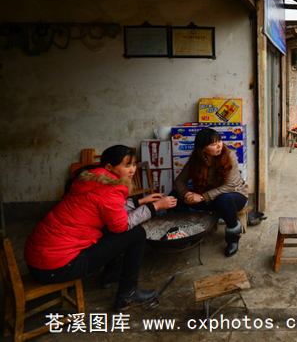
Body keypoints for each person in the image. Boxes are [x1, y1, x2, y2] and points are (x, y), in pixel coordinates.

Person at [24, 145, 177, 311]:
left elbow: (109, 208)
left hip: (38, 260)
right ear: (109, 167)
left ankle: (111, 276)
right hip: (58, 267)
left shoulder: (91, 180)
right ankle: (128, 294)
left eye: (134, 164)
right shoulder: (111, 188)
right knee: (137, 233)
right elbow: (121, 225)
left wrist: (141, 201)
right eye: (127, 166)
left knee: (108, 227)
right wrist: (155, 207)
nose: (133, 170)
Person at [174, 128, 249, 257]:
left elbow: (230, 185)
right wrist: (186, 194)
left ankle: (233, 238)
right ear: (202, 148)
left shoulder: (229, 155)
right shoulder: (195, 160)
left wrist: (202, 197)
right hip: (209, 197)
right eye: (213, 144)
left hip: (234, 195)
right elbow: (180, 180)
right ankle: (189, 232)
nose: (219, 145)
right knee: (174, 196)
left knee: (224, 199)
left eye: (219, 141)